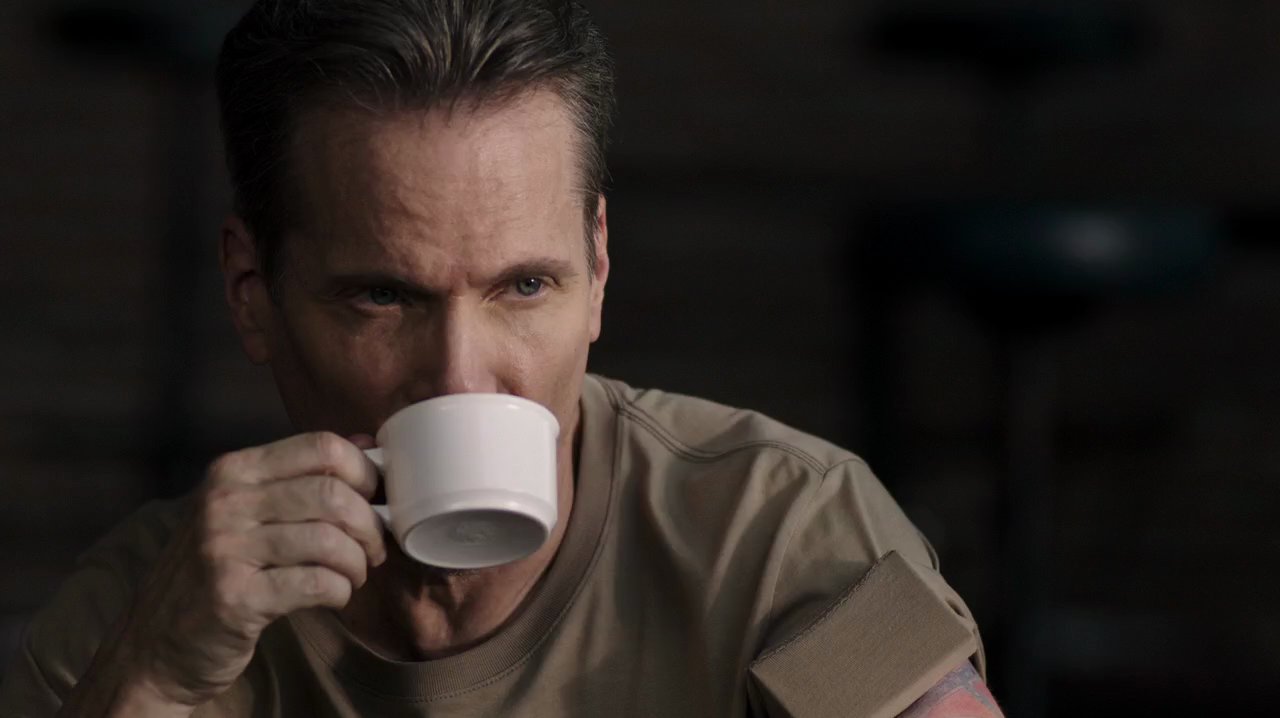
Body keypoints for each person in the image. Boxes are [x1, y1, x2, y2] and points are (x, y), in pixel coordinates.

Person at [0, 1, 1002, 716]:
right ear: (251, 293)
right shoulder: (153, 616)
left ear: (597, 270)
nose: (460, 376)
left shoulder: (773, 530)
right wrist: (153, 682)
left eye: (523, 287)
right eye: (383, 296)